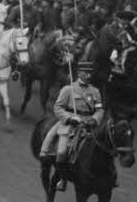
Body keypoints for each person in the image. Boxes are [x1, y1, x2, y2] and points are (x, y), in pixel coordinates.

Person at [39, 60, 104, 191]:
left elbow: (100, 110)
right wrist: (69, 118)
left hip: (88, 126)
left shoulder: (95, 92)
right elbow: (57, 107)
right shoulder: (68, 89)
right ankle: (62, 179)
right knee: (62, 152)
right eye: (86, 73)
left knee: (102, 149)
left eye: (90, 73)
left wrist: (95, 120)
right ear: (79, 73)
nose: (89, 76)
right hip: (70, 126)